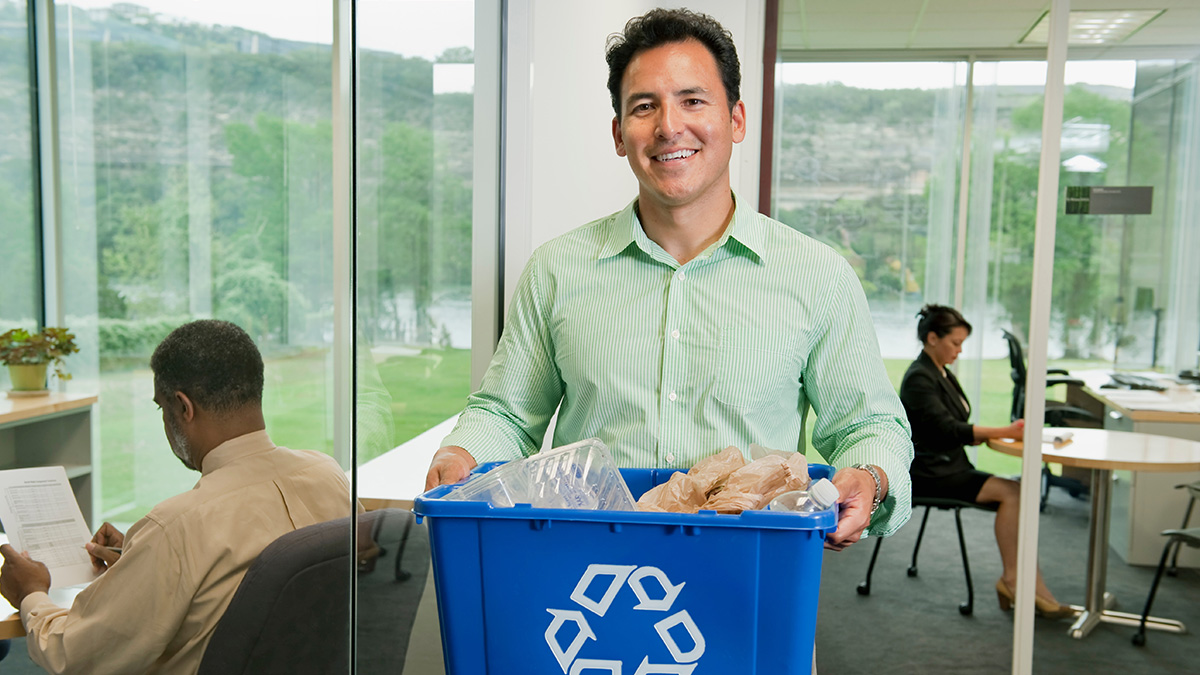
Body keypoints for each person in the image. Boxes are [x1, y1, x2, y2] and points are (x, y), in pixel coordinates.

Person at [426, 8, 913, 550]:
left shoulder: (818, 276)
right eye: (644, 106)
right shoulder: (557, 270)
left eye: (693, 100)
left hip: (745, 575)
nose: (668, 126)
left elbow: (868, 424)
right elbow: (508, 413)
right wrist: (462, 452)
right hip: (582, 577)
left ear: (736, 119)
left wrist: (869, 476)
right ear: (618, 133)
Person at [0, 319, 353, 673]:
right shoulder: (328, 475)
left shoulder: (176, 528)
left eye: (161, 408)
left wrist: (31, 592)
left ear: (183, 408)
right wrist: (142, 558)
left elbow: (73, 654)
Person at [899, 304, 1073, 619]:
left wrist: (993, 433)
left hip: (949, 465)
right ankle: (1014, 580)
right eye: (955, 343)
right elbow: (948, 429)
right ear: (933, 338)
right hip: (931, 472)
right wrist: (1004, 431)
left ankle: (1026, 583)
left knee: (1018, 493)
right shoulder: (918, 378)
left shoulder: (939, 372)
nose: (959, 351)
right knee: (1014, 493)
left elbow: (953, 427)